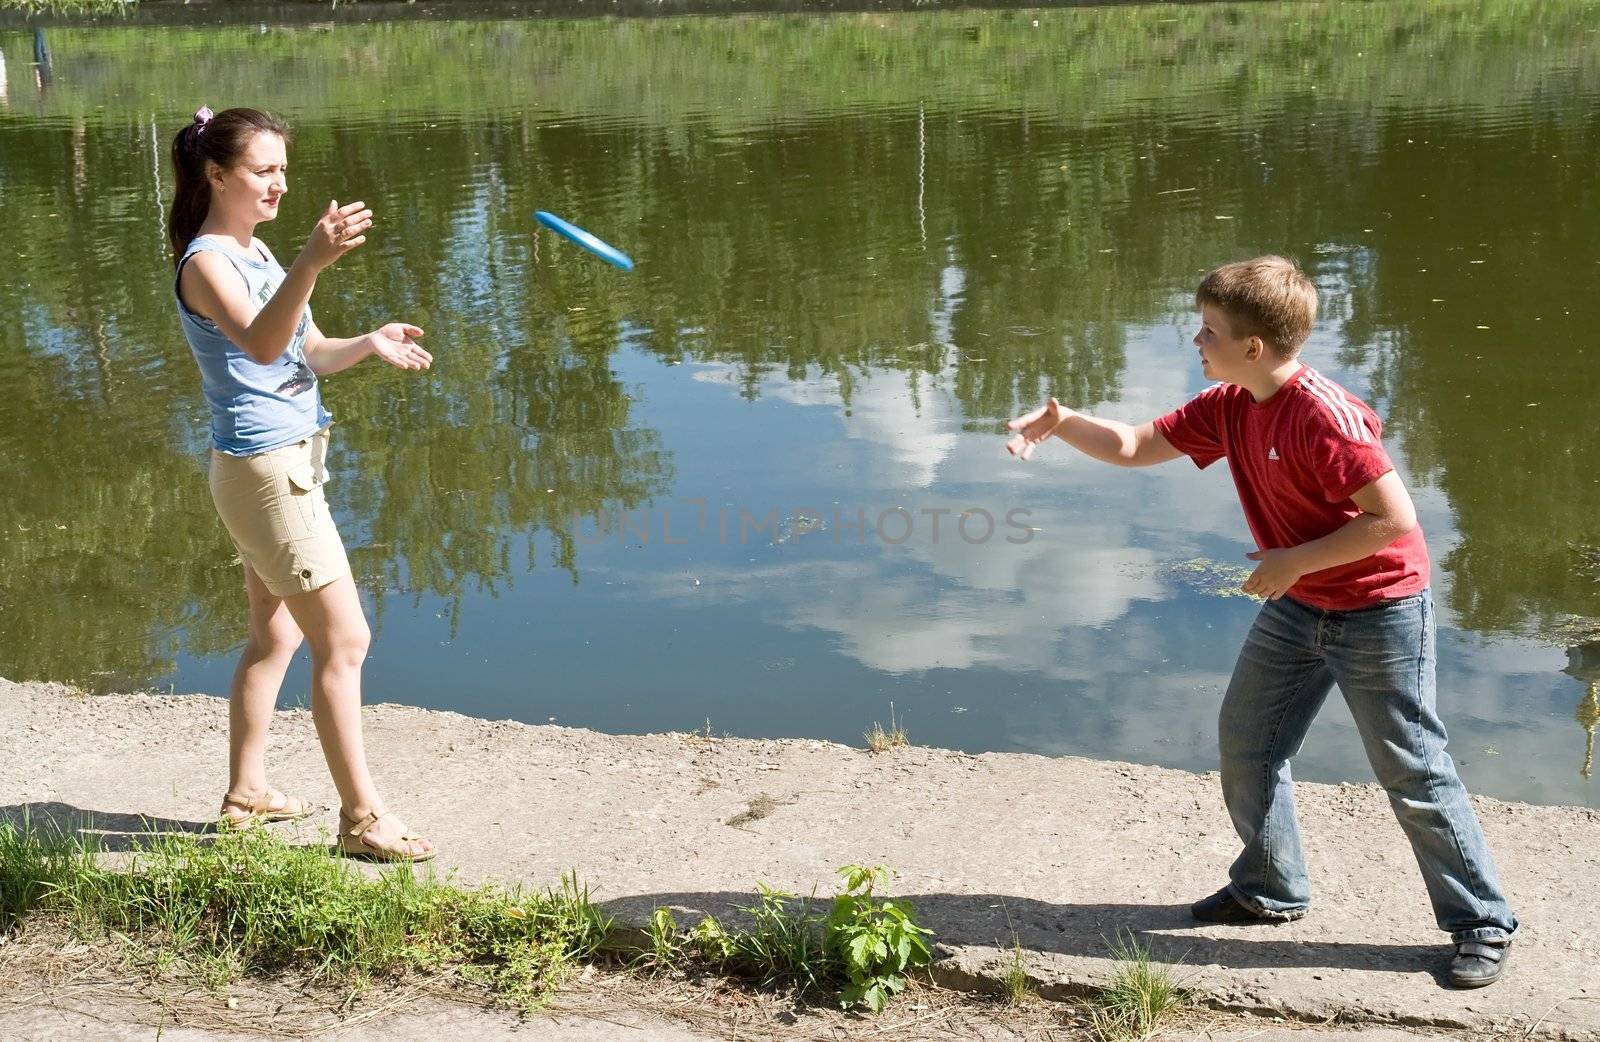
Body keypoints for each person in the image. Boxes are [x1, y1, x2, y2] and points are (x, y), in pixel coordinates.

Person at [1005, 256, 1518, 988]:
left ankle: (1482, 923)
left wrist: (1294, 561)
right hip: (1301, 601)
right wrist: (1062, 424)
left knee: (1411, 768)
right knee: (1248, 743)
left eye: (1208, 331)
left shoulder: (1324, 416)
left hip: (1380, 610)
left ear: (1253, 346)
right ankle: (1270, 889)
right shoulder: (1228, 406)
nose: (1196, 342)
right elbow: (1134, 446)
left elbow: (1393, 521)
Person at [169, 105, 434, 862]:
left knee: (274, 632)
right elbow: (258, 346)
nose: (280, 183)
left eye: (283, 169)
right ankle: (361, 820)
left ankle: (246, 793)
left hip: (282, 464)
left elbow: (304, 352)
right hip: (264, 471)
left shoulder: (254, 254)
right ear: (217, 175)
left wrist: (369, 342)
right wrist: (313, 262)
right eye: (264, 170)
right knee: (345, 639)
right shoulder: (207, 263)